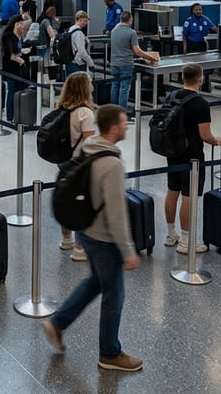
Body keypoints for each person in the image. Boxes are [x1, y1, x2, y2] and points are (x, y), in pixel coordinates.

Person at [41, 104, 142, 372]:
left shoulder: (91, 147)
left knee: (95, 283)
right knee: (114, 296)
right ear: (113, 127)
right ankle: (109, 353)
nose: (126, 126)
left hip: (85, 231)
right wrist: (128, 249)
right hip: (104, 238)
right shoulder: (111, 163)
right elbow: (116, 212)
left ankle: (57, 323)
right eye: (123, 122)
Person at [164, 63, 221, 253]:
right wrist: (217, 140)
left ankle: (171, 233)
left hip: (172, 152)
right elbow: (205, 135)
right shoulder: (201, 104)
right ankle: (186, 241)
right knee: (188, 196)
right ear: (200, 79)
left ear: (183, 78)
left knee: (172, 191)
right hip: (192, 156)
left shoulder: (171, 97)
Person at [55, 71, 96, 261]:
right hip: (81, 164)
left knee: (66, 200)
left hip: (64, 161)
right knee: (81, 205)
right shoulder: (85, 112)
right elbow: (89, 142)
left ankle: (66, 239)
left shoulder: (62, 107)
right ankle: (80, 247)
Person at [108, 11, 159, 109]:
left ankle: (113, 110)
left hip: (114, 63)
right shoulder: (131, 32)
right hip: (126, 64)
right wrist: (151, 58)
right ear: (130, 20)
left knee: (114, 86)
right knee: (124, 88)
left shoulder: (114, 30)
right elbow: (137, 51)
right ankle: (122, 111)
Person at [1, 16, 30, 122]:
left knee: (18, 91)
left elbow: (17, 50)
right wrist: (21, 61)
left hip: (17, 69)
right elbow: (11, 55)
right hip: (10, 68)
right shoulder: (8, 36)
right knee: (12, 91)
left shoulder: (18, 36)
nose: (23, 26)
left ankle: (17, 114)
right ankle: (10, 116)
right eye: (21, 23)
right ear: (16, 24)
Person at [64, 11, 94, 78]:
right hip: (77, 64)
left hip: (70, 62)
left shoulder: (70, 29)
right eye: (85, 21)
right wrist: (90, 62)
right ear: (80, 19)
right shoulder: (79, 33)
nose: (86, 23)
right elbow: (82, 51)